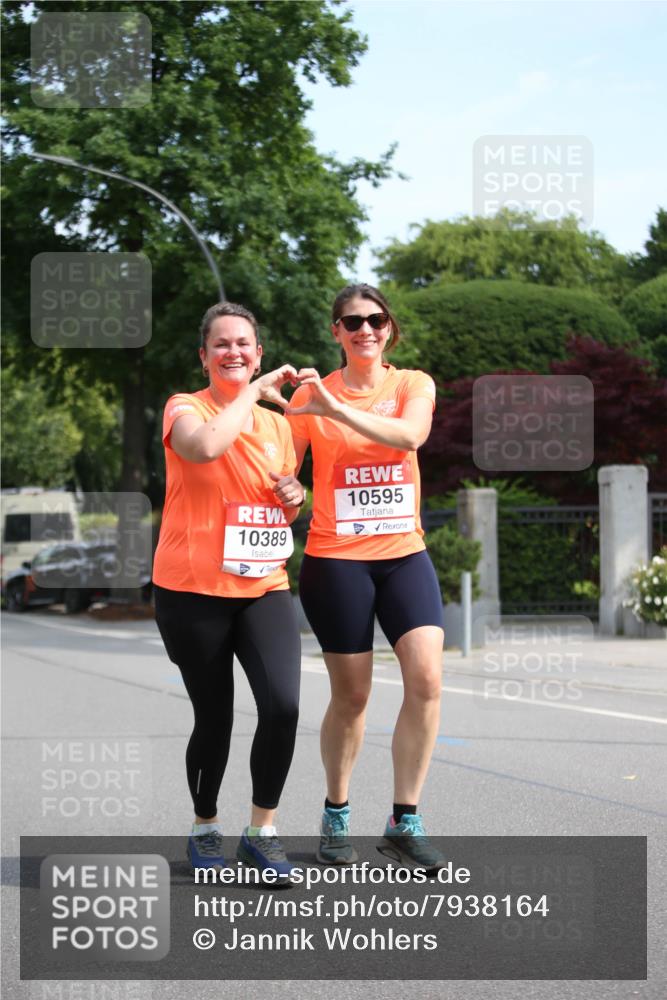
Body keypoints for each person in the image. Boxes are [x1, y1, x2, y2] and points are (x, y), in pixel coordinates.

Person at [287, 283, 445, 871]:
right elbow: (287, 474)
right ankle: (336, 811)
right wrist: (290, 489)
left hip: (404, 554)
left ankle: (405, 819)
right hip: (336, 560)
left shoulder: (411, 384)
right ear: (336, 331)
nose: (365, 330)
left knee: (427, 679)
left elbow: (410, 436)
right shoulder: (310, 396)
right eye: (352, 322)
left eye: (376, 320)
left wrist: (336, 409)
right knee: (352, 697)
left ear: (389, 327)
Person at [153, 301, 305, 876]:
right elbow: (205, 448)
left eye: (244, 343)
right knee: (214, 715)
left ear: (258, 351)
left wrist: (294, 496)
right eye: (222, 344)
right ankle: (205, 825)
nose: (234, 352)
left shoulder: (278, 426)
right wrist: (253, 392)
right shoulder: (184, 408)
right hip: (192, 589)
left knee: (284, 706)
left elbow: (276, 503)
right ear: (205, 355)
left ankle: (261, 830)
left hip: (264, 583)